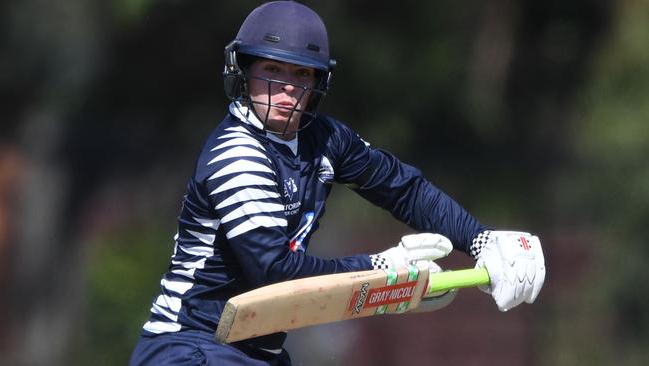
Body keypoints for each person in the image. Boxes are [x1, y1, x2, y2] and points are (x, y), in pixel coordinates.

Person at [128, 1, 546, 365]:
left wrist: (481, 240)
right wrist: (380, 272)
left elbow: (404, 189)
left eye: (302, 74)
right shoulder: (236, 154)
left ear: (317, 83)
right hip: (190, 347)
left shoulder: (325, 140)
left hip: (254, 351)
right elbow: (274, 275)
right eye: (272, 69)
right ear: (244, 71)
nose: (287, 88)